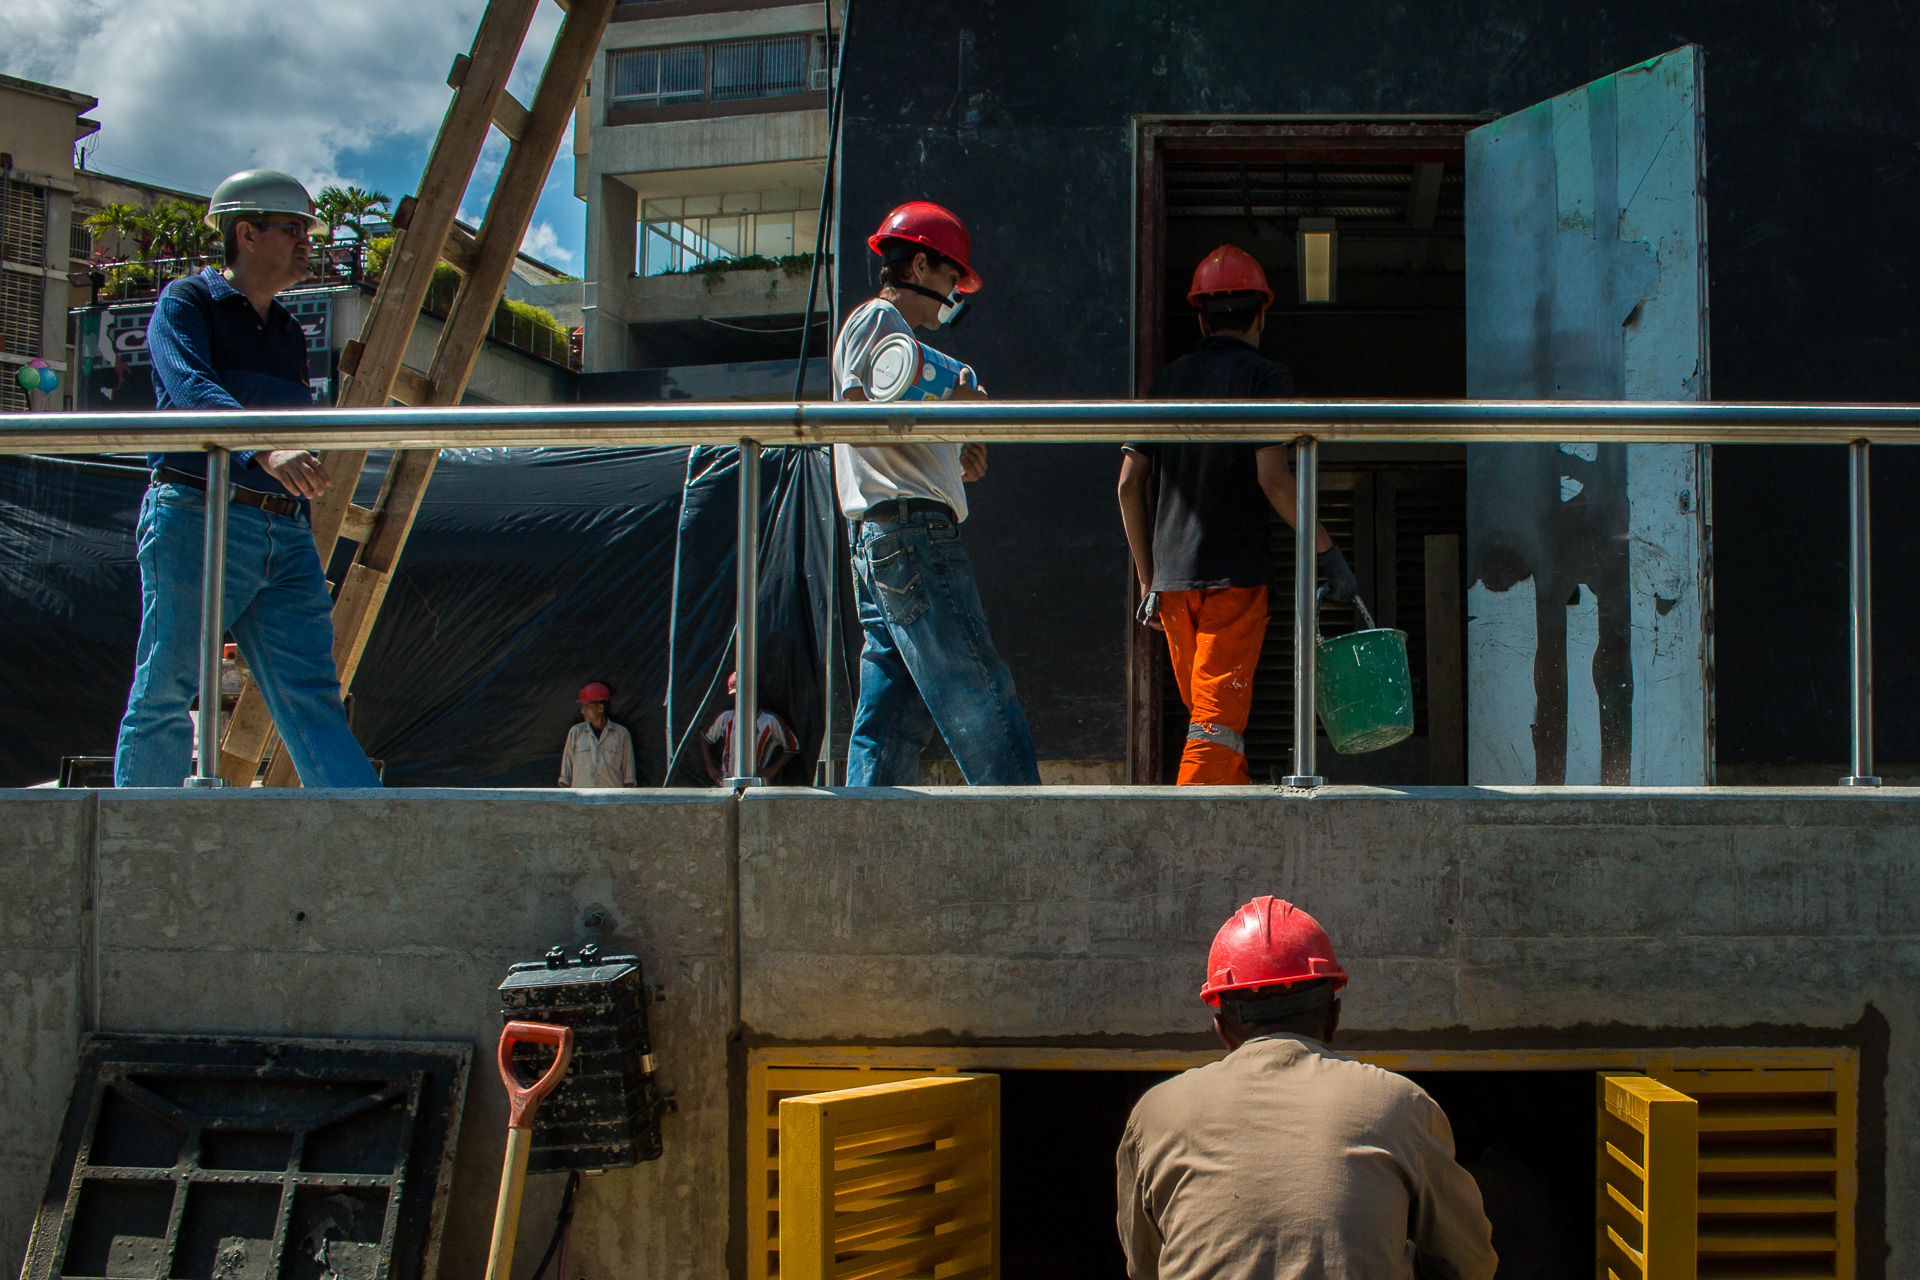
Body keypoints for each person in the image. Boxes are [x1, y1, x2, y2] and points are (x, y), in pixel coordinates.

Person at [113, 169, 380, 788]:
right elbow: (189, 388)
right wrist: (265, 449)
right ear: (246, 233)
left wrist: (289, 481)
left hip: (282, 529)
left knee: (313, 694)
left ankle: (374, 848)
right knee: (168, 685)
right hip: (198, 513)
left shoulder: (288, 329)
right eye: (294, 230)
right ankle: (137, 857)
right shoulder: (186, 301)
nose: (307, 244)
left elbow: (289, 429)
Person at [1116, 896, 1496, 1280]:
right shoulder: (1401, 1106)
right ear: (1333, 1017)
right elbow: (1471, 1262)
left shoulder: (1156, 1114)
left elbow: (1144, 1267)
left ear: (1222, 1029)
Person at [1117, 245, 1357, 785]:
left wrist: (1148, 579)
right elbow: (1273, 478)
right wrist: (1328, 552)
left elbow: (1129, 483)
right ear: (1262, 314)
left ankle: (1239, 823)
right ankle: (1188, 845)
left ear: (1201, 317)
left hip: (1173, 586)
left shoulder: (1166, 382)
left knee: (1213, 726)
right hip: (1234, 580)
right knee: (1213, 729)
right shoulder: (1265, 377)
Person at [833, 201, 1039, 786]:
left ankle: (864, 844)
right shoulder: (881, 324)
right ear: (919, 266)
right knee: (977, 687)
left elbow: (891, 428)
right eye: (951, 279)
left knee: (893, 712)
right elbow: (861, 415)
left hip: (884, 532)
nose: (953, 298)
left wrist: (956, 453)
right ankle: (1032, 835)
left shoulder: (889, 335)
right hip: (912, 532)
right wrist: (952, 404)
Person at [701, 672, 799, 784]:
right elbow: (705, 737)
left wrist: (773, 770)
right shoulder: (726, 718)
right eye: (737, 695)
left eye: (744, 694)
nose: (741, 699)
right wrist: (711, 768)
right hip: (728, 781)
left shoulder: (770, 721)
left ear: (754, 692)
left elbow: (793, 746)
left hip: (757, 785)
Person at [560, 682, 638, 788]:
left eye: (587, 707)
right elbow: (565, 777)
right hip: (582, 801)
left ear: (600, 708)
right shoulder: (576, 732)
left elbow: (629, 778)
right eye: (582, 707)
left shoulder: (622, 734)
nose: (583, 711)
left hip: (611, 801)